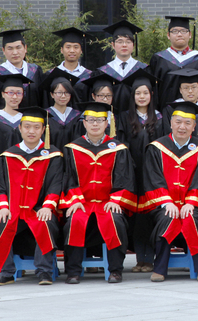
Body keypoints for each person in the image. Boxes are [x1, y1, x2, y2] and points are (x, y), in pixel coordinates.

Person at [138, 101, 198, 282]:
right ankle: (160, 267)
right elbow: (153, 178)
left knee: (191, 217)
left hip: (193, 204)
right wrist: (167, 202)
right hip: (164, 204)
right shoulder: (156, 148)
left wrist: (191, 202)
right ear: (171, 123)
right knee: (168, 217)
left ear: (194, 126)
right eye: (178, 122)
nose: (182, 127)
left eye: (188, 123)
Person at [0, 107, 63, 286]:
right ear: (20, 128)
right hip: (13, 209)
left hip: (38, 209)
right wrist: (3, 207)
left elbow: (56, 184)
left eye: (36, 127)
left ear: (43, 130)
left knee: (45, 221)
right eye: (27, 127)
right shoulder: (7, 156)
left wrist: (47, 206)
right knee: (0, 221)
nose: (31, 131)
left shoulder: (53, 156)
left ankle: (44, 271)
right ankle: (5, 272)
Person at [60, 101, 135, 284]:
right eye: (91, 120)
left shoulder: (118, 149)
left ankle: (115, 270)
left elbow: (125, 177)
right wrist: (75, 200)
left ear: (106, 123)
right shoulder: (72, 148)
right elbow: (67, 177)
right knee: (75, 220)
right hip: (82, 202)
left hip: (107, 202)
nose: (95, 124)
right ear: (84, 123)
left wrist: (115, 200)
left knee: (114, 219)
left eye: (99, 120)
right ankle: (73, 271)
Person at [115, 69, 166, 273]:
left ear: (151, 95)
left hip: (154, 175)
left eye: (145, 93)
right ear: (132, 96)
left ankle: (150, 259)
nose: (142, 97)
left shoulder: (160, 118)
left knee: (151, 215)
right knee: (136, 218)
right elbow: (121, 145)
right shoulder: (124, 117)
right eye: (138, 93)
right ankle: (139, 259)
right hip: (132, 173)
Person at [148, 16, 198, 105]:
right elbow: (154, 89)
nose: (179, 34)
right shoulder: (159, 59)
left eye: (183, 31)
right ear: (168, 35)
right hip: (167, 109)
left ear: (190, 34)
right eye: (174, 31)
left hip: (196, 110)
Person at [0, 29, 42, 119]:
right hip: (4, 125)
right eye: (10, 48)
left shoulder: (35, 71)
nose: (15, 52)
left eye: (18, 47)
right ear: (3, 50)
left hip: (32, 123)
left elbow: (42, 102)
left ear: (25, 48)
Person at [97, 20, 147, 112]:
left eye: (128, 42)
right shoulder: (103, 71)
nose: (124, 45)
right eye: (120, 42)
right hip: (111, 117)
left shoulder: (144, 69)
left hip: (136, 117)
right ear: (113, 45)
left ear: (133, 45)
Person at [39, 68, 83, 150]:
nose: (63, 96)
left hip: (73, 156)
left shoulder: (77, 116)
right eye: (59, 92)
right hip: (52, 156)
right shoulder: (45, 116)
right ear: (52, 94)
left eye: (66, 92)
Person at [50, 27, 92, 104]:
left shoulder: (89, 76)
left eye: (76, 47)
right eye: (68, 47)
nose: (72, 51)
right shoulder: (51, 74)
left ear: (81, 50)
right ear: (62, 50)